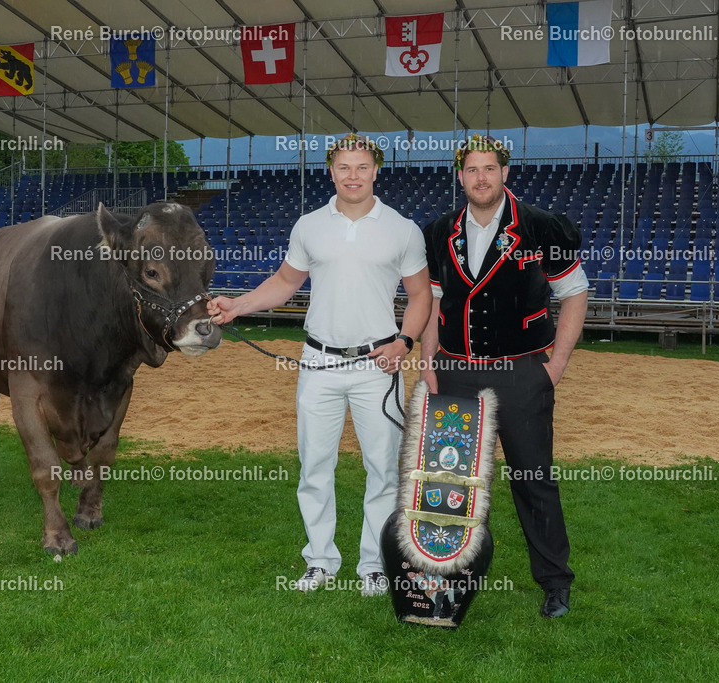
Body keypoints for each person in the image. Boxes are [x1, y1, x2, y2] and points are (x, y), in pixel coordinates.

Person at [207, 134, 431, 597]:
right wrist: (238, 306)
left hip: (378, 366)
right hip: (318, 363)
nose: (353, 175)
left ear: (376, 171)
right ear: (331, 171)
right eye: (344, 167)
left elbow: (421, 294)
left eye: (362, 166)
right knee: (314, 468)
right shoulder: (309, 226)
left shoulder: (403, 229)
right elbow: (286, 282)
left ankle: (374, 564)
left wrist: (405, 342)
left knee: (385, 470)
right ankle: (320, 561)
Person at [419, 134, 589, 618]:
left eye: (489, 169)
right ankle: (450, 579)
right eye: (471, 170)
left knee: (533, 479)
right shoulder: (438, 231)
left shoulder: (541, 228)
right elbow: (432, 304)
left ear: (505, 173)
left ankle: (555, 582)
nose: (481, 178)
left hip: (522, 373)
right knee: (452, 481)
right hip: (455, 372)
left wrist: (555, 365)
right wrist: (429, 363)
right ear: (460, 177)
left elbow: (574, 295)